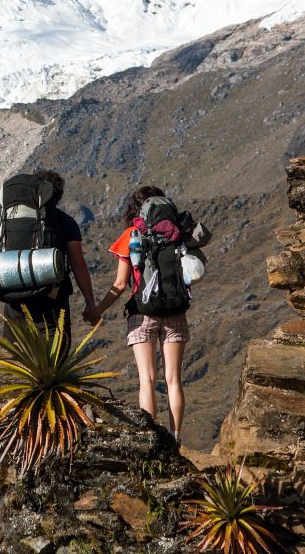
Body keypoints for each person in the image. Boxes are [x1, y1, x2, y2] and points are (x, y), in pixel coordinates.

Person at [86, 185, 206, 440]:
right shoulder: (176, 234)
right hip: (175, 311)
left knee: (147, 380)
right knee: (173, 379)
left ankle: (149, 437)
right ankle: (175, 437)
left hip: (142, 314)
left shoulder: (132, 235)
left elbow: (120, 285)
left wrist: (97, 310)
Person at [0, 170, 97, 350]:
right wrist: (90, 303)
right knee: (52, 365)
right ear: (56, 196)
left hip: (14, 304)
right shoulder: (64, 221)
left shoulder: (10, 224)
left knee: (16, 360)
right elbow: (78, 265)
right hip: (50, 306)